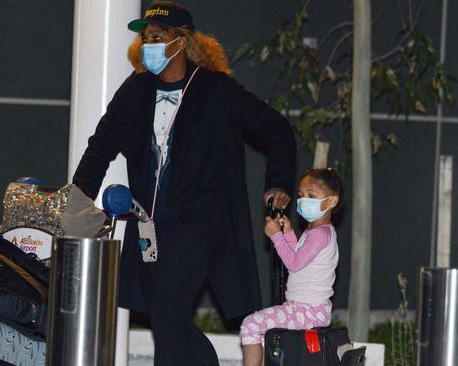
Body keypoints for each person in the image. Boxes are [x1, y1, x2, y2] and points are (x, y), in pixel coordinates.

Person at [72, 1, 296, 365]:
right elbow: (102, 145)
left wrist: (279, 181)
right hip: (149, 224)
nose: (150, 45)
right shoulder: (136, 90)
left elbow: (277, 129)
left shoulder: (214, 90)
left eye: (158, 37)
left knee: (169, 307)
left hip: (198, 222)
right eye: (146, 38)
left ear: (182, 41)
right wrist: (77, 197)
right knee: (166, 318)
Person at [240, 168, 343, 366]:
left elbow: (294, 264)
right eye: (301, 195)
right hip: (306, 309)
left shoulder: (320, 234)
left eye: (311, 195)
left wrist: (275, 236)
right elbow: (301, 258)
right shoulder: (318, 231)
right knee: (264, 337)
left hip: (308, 311)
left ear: (331, 201)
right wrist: (287, 234)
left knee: (250, 325)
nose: (303, 200)